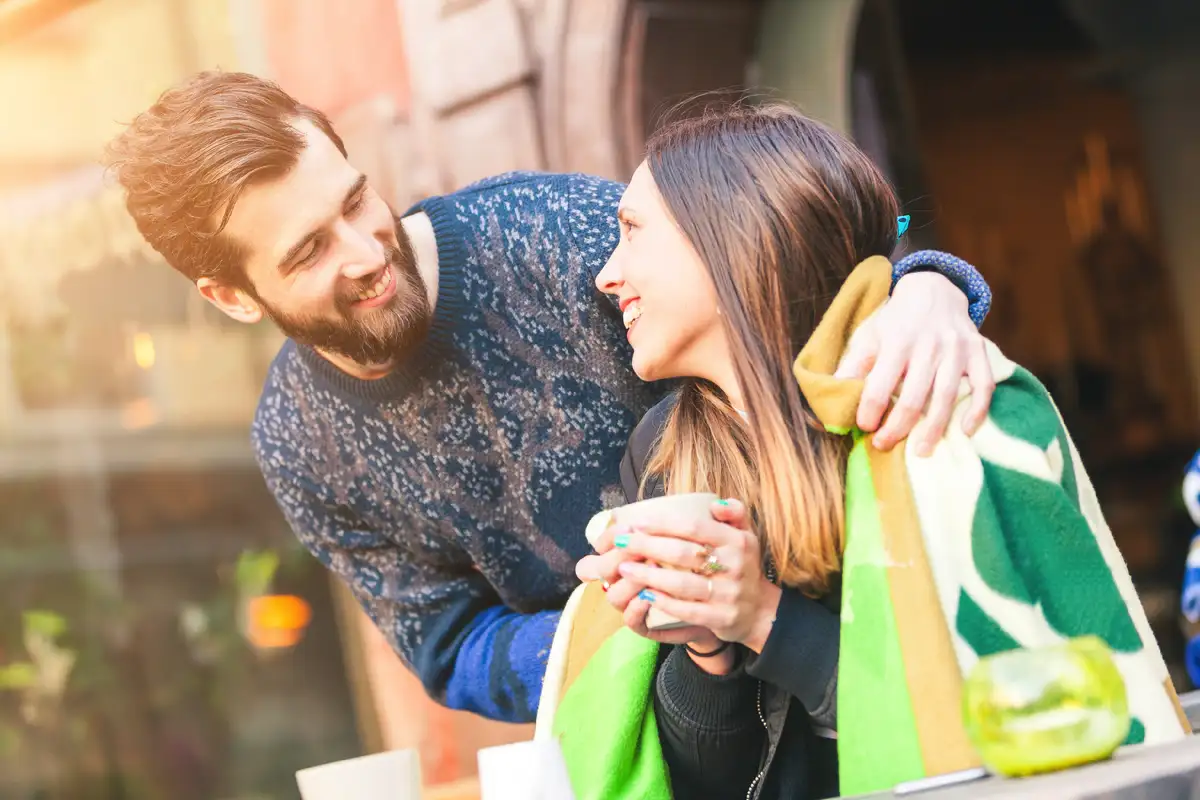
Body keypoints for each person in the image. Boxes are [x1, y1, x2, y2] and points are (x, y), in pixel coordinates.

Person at [106, 71, 995, 724]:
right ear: (230, 296)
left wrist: (930, 285)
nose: (366, 251)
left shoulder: (555, 230)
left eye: (355, 199)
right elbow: (446, 646)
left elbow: (781, 263)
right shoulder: (300, 442)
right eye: (308, 252)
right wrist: (632, 621)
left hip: (852, 652)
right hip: (672, 734)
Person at [573, 103, 1183, 798]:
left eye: (631, 232)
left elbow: (996, 729)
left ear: (729, 235)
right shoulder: (663, 453)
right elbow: (715, 783)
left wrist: (763, 620)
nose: (606, 275)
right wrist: (705, 645)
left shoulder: (926, 407)